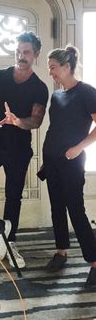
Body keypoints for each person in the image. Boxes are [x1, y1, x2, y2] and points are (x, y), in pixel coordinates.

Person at [0, 31, 48, 268]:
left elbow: (36, 122)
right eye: (18, 51)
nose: (21, 56)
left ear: (36, 54)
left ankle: (10, 242)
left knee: (14, 196)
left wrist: (17, 121)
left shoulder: (39, 88)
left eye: (26, 52)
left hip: (18, 148)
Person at [42, 45, 96, 288]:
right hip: (52, 160)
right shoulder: (57, 95)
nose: (50, 72)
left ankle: (94, 262)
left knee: (76, 210)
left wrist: (78, 148)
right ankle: (61, 252)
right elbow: (57, 128)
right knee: (56, 207)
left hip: (72, 162)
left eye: (53, 67)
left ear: (66, 67)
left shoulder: (86, 92)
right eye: (49, 68)